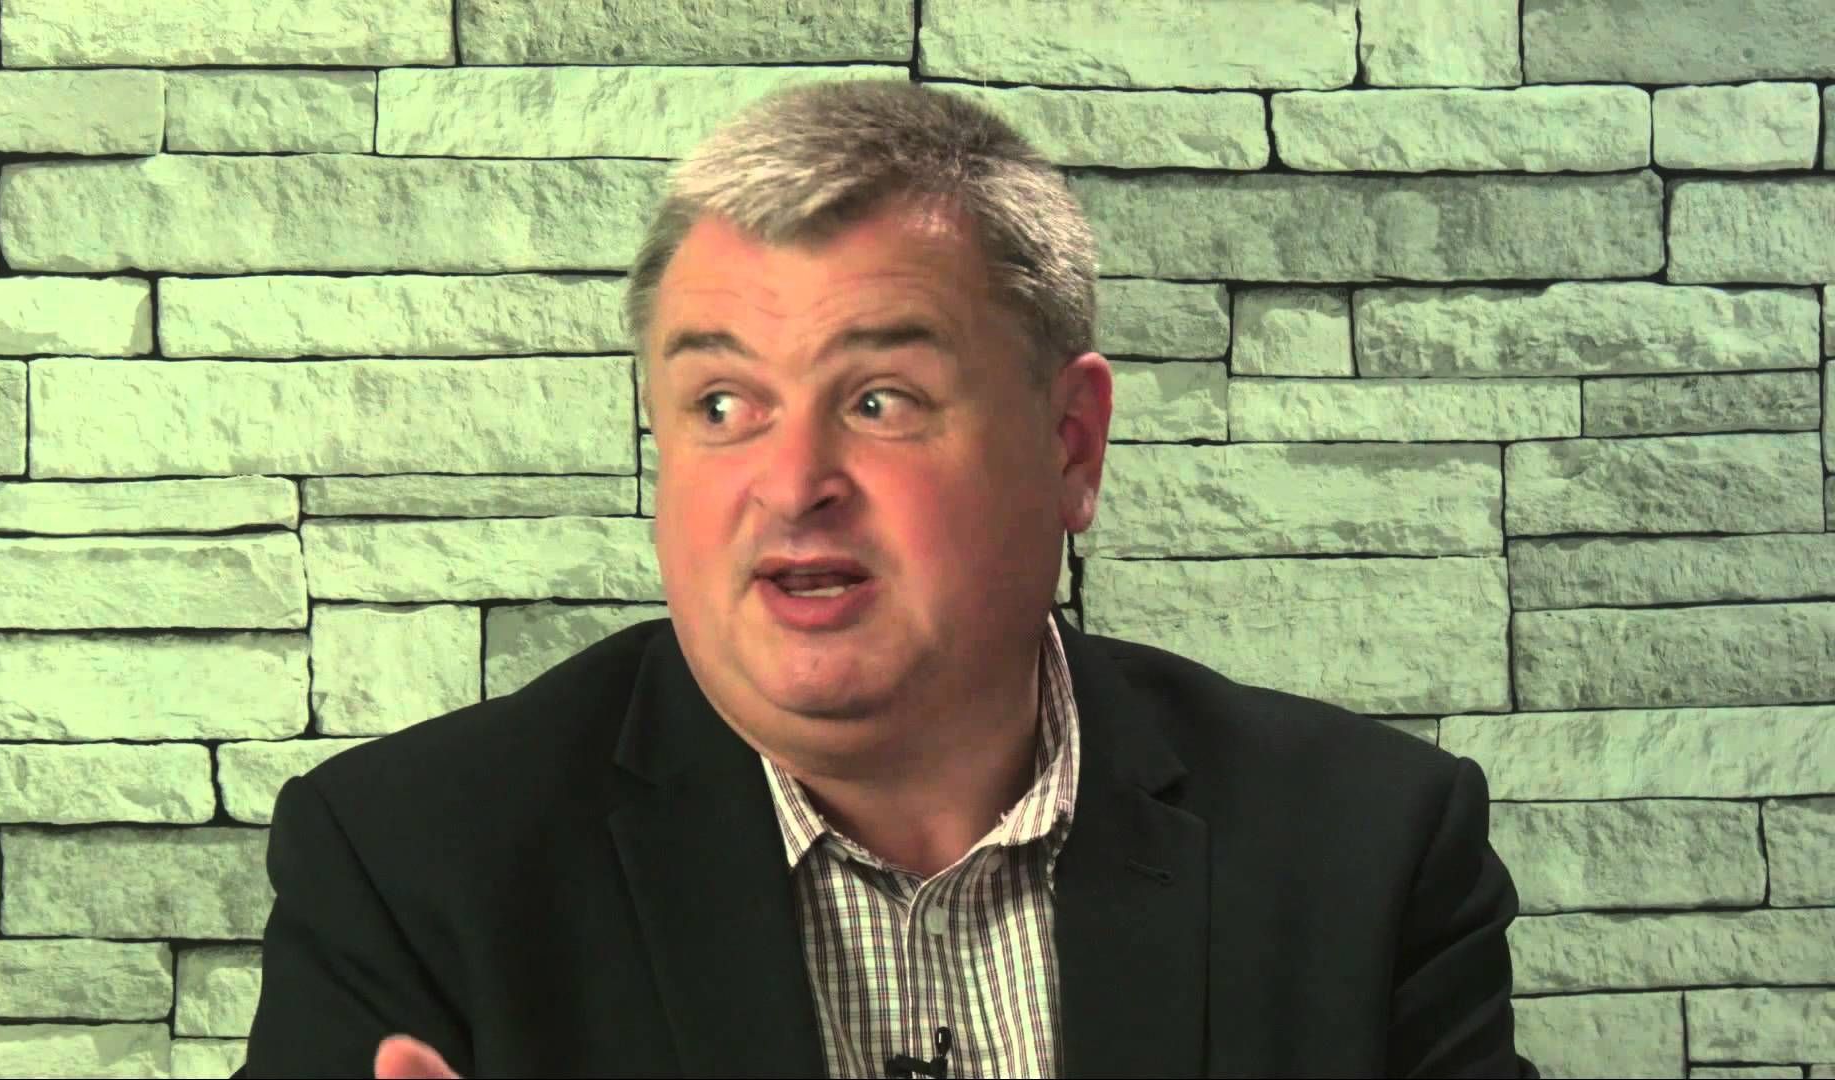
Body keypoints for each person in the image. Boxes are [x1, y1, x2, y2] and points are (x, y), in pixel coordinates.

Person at [236, 79, 1540, 1079]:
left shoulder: (1366, 853)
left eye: (879, 399)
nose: (792, 481)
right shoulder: (412, 867)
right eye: (722, 404)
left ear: (1070, 446)